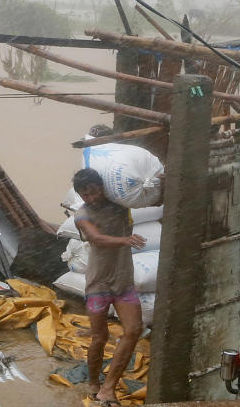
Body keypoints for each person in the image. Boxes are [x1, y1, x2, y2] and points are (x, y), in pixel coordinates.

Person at [72, 167, 146, 407]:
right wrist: (126, 240)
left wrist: (157, 183)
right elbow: (97, 239)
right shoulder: (82, 215)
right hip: (99, 283)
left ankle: (108, 387)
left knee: (134, 330)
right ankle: (94, 381)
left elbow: (146, 194)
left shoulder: (121, 203)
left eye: (94, 192)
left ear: (103, 187)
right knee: (99, 337)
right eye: (86, 195)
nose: (91, 198)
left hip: (124, 281)